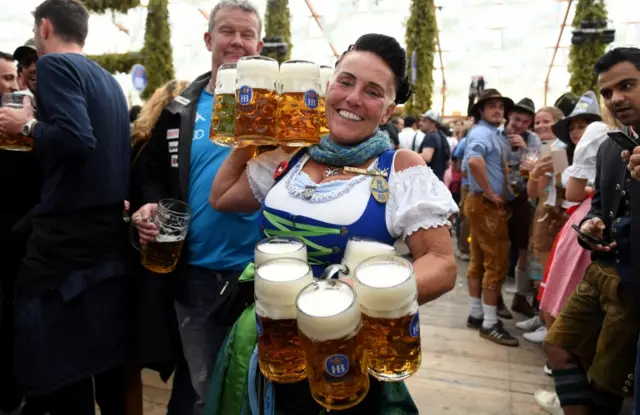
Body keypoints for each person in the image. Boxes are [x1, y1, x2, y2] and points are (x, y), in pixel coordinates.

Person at [208, 33, 457, 413]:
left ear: (387, 112)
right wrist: (251, 136)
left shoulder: (400, 168)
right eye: (346, 81)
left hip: (339, 355)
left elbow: (441, 266)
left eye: (373, 91)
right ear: (327, 87)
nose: (354, 98)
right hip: (264, 342)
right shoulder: (290, 156)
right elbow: (222, 198)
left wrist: (358, 294)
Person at [130, 1, 264, 413]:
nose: (237, 42)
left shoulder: (275, 108)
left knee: (253, 384)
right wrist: (148, 206)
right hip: (197, 271)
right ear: (209, 39)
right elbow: (150, 173)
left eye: (247, 34)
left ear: (259, 44)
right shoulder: (178, 110)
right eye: (227, 31)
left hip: (261, 271)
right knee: (197, 386)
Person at [0, 0, 131, 413]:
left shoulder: (55, 66)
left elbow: (78, 139)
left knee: (48, 350)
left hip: (65, 236)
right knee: (90, 350)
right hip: (104, 234)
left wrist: (28, 126)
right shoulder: (108, 80)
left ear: (44, 28)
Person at [544, 47, 640, 415]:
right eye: (608, 92)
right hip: (601, 271)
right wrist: (590, 225)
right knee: (557, 347)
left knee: (607, 381)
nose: (617, 98)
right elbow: (600, 205)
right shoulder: (609, 146)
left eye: (627, 85)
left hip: (635, 285)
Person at [462, 88, 519, 346]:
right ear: (481, 111)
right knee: (496, 261)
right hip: (486, 204)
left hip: (479, 202)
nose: (497, 110)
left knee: (480, 258)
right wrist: (490, 192)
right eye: (491, 106)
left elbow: (468, 165)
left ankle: (477, 313)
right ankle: (490, 322)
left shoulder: (491, 134)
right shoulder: (483, 132)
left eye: (500, 106)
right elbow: (474, 162)